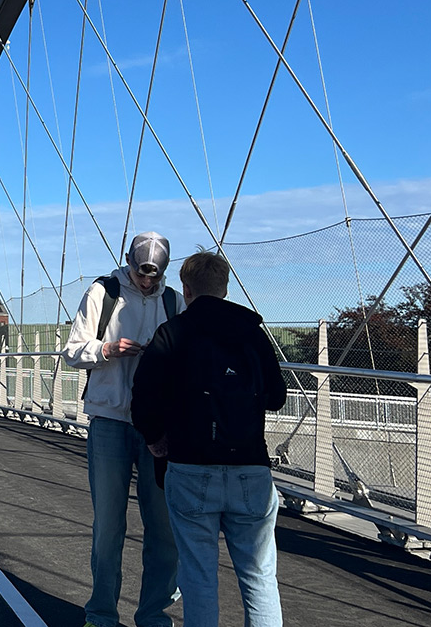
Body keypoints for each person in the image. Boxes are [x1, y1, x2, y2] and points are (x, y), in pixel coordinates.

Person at [130, 251, 287, 627]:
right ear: (226, 287)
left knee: (199, 577)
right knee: (260, 577)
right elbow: (277, 396)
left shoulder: (173, 332)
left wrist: (157, 443)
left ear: (185, 289)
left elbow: (143, 399)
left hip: (190, 467)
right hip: (251, 469)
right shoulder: (253, 332)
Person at [62, 230, 184, 627]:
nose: (146, 281)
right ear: (128, 261)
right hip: (110, 420)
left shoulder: (173, 301)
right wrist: (107, 350)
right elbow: (71, 350)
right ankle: (100, 615)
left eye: (154, 276)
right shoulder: (104, 292)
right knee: (109, 526)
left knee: (163, 528)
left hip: (158, 427)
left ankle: (154, 617)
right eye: (140, 273)